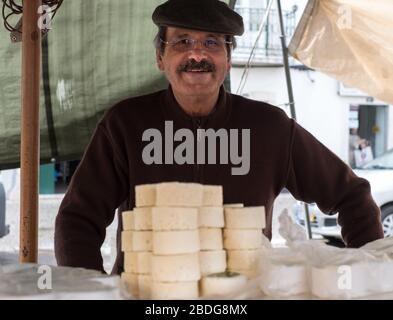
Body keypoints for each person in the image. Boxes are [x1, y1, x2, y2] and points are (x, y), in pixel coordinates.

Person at [55, 0, 383, 274]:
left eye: (211, 42)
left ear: (227, 60)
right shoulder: (126, 124)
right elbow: (78, 220)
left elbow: (352, 197)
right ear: (160, 58)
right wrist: (94, 291)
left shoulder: (268, 126)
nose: (197, 54)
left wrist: (370, 276)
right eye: (181, 41)